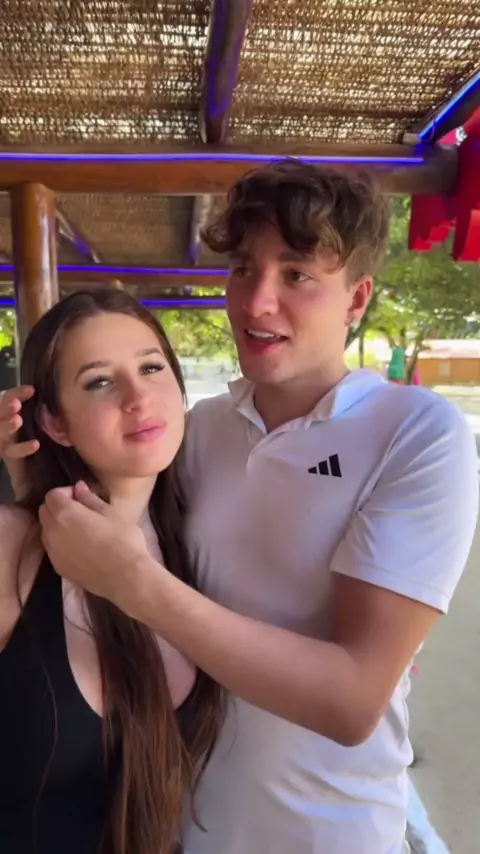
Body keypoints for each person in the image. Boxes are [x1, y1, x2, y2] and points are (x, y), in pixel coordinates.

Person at [1, 162, 478, 854]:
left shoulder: (415, 434)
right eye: (244, 270)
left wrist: (135, 583)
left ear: (356, 298)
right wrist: (32, 468)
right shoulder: (200, 431)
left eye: (297, 274)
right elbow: (101, 503)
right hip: (184, 826)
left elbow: (350, 702)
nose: (257, 303)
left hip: (328, 833)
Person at [0, 288, 221, 854]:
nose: (138, 397)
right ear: (56, 423)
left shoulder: (196, 534)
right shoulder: (12, 546)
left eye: (151, 367)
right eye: (99, 381)